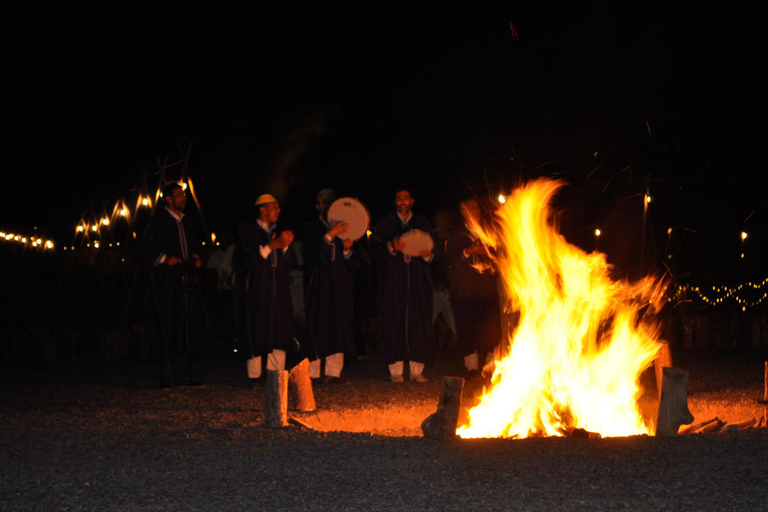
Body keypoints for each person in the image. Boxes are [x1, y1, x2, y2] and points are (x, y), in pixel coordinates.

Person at [138, 181, 204, 389]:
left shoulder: (187, 221)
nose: (184, 198)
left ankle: (183, 373)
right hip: (166, 282)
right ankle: (165, 375)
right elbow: (142, 247)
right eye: (179, 195)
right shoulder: (157, 221)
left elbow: (193, 244)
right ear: (168, 199)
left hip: (186, 282)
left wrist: (195, 257)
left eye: (183, 194)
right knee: (167, 323)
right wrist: (165, 258)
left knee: (186, 324)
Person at [371, 188, 435, 382]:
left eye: (406, 198)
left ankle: (416, 370)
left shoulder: (422, 223)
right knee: (394, 321)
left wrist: (427, 255)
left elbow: (434, 247)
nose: (403, 201)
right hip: (393, 282)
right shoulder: (385, 223)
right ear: (395, 202)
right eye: (399, 198)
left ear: (412, 201)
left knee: (418, 321)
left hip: (417, 282)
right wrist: (391, 247)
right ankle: (396, 371)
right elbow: (374, 248)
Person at [239, 194, 297, 386]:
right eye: (274, 207)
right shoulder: (249, 232)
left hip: (278, 292)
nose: (278, 210)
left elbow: (289, 263)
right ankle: (254, 376)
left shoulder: (276, 232)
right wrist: (269, 246)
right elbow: (248, 261)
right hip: (258, 291)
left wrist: (286, 246)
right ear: (262, 209)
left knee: (279, 330)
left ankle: (276, 376)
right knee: (257, 328)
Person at [303, 188, 357, 384]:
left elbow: (353, 263)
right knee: (318, 325)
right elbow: (310, 255)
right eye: (324, 202)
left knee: (339, 325)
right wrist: (328, 236)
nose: (328, 206)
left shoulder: (343, 226)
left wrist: (348, 249)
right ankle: (313, 373)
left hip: (339, 284)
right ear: (318, 206)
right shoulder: (311, 227)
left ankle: (334, 373)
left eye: (331, 202)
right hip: (319, 285)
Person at [445, 197, 502, 376]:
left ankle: (491, 364)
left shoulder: (488, 231)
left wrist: (485, 252)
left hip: (486, 288)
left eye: (477, 207)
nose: (476, 210)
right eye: (472, 207)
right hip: (465, 289)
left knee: (490, 325)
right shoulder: (457, 234)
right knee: (466, 326)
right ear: (463, 211)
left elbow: (499, 255)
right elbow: (449, 261)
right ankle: (471, 366)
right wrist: (468, 251)